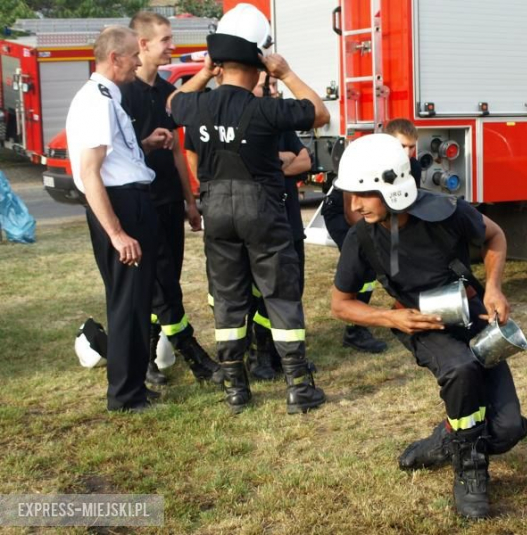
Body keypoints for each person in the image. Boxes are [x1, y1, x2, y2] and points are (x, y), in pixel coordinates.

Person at [330, 134, 527, 519]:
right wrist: (392, 317)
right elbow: (340, 304)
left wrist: (493, 289)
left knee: (507, 430)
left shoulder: (448, 212)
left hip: (469, 314)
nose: (354, 205)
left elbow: (495, 235)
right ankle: (470, 474)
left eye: (364, 193)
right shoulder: (361, 237)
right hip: (416, 323)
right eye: (351, 194)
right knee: (460, 368)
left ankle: (446, 440)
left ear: (393, 187)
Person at [166, 3, 330, 414]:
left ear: (220, 62)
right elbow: (320, 112)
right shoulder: (265, 108)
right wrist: (286, 73)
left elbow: (173, 103)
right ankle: (298, 387)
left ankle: (236, 390)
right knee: (280, 294)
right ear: (260, 62)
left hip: (216, 209)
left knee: (228, 298)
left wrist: (206, 70)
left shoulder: (198, 105)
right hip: (263, 209)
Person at [66, 26, 170, 412]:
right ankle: (126, 396)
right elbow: (91, 172)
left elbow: (112, 161)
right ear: (114, 58)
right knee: (127, 302)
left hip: (129, 200)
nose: (139, 61)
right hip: (121, 207)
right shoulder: (95, 100)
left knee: (135, 299)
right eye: (132, 55)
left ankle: (133, 387)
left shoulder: (106, 97)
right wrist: (116, 232)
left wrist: (143, 145)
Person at [122, 12, 223, 387]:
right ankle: (193, 355)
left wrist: (190, 200)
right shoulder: (123, 93)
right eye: (165, 40)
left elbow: (179, 151)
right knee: (162, 283)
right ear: (143, 45)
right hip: (139, 204)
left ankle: (146, 359)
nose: (172, 46)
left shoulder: (165, 92)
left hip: (168, 203)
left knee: (163, 282)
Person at [321, 118, 422, 354]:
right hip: (344, 215)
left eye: (411, 147)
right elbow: (351, 212)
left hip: (376, 217)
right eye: (401, 146)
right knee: (365, 267)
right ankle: (355, 330)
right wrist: (376, 241)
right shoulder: (366, 163)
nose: (407, 153)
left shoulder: (411, 167)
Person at [247, 71, 311, 381]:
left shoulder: (280, 122)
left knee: (293, 290)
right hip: (262, 222)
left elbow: (305, 162)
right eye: (266, 85)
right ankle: (262, 356)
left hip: (290, 221)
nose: (273, 90)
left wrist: (277, 161)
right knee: (263, 294)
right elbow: (249, 163)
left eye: (274, 85)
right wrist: (281, 160)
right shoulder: (248, 123)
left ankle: (289, 354)